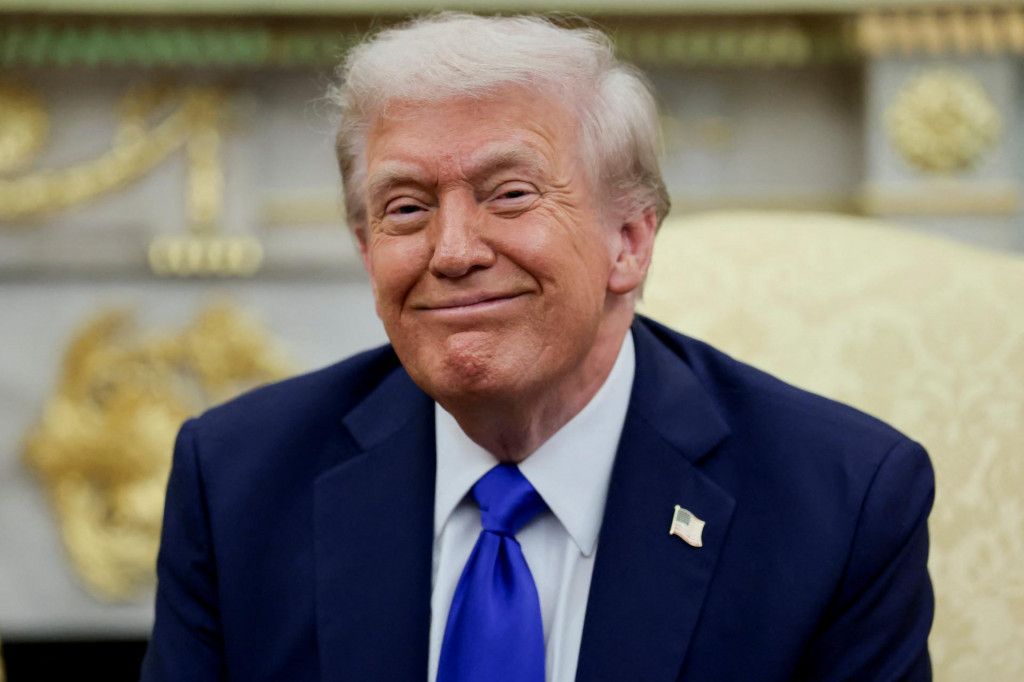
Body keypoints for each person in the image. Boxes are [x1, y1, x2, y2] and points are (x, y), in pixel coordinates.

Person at [141, 13, 934, 682]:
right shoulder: (237, 481)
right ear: (364, 249)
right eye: (407, 209)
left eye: (509, 195)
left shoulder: (839, 503)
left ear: (629, 240)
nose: (451, 251)